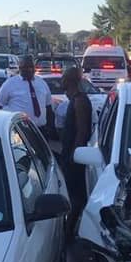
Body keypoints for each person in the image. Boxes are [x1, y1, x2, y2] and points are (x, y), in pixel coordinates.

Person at [55, 66, 93, 232]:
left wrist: (74, 155)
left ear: (69, 80)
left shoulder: (80, 101)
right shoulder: (73, 100)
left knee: (76, 197)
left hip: (74, 157)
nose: (61, 81)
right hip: (69, 154)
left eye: (63, 78)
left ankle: (70, 231)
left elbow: (82, 130)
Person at [0, 56, 53, 130]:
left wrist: (51, 127)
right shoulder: (10, 83)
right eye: (25, 67)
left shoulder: (42, 83)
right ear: (20, 68)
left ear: (34, 68)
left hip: (41, 130)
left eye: (31, 67)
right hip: (19, 131)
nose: (29, 69)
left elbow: (48, 107)